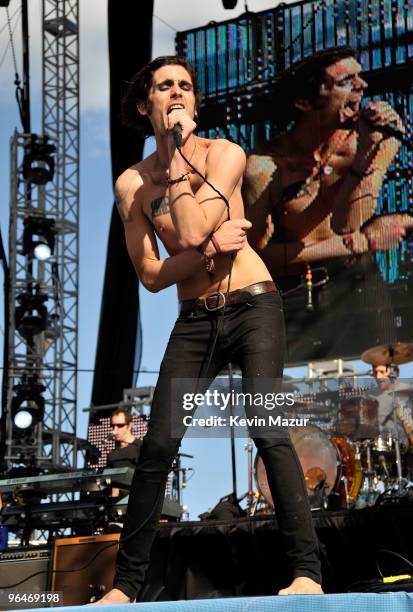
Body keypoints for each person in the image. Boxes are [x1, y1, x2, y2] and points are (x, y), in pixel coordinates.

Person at [94, 56, 322, 604]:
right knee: (158, 445)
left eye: (185, 87)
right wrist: (208, 252)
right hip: (195, 320)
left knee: (267, 430)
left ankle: (307, 573)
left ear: (195, 103)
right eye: (164, 86)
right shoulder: (130, 186)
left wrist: (181, 174)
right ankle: (126, 586)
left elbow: (192, 225)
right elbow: (151, 274)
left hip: (254, 305)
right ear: (145, 103)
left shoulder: (226, 154)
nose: (176, 93)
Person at [243, 46, 413, 360]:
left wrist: (366, 158)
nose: (361, 86)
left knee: (382, 376)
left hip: (359, 284)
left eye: (360, 77)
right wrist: (359, 242)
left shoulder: (373, 138)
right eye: (346, 81)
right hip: (296, 292)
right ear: (305, 101)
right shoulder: (265, 167)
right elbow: (254, 259)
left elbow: (345, 224)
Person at [106, 409, 142, 498]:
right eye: (113, 426)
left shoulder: (141, 446)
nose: (115, 429)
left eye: (120, 425)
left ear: (129, 425)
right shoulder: (112, 454)